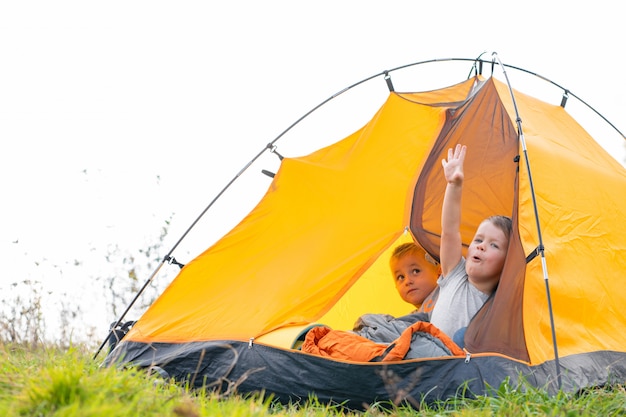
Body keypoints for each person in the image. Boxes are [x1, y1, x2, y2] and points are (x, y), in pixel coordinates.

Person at [428, 144, 512, 347]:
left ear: (507, 264)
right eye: (478, 240)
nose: (481, 246)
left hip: (458, 366)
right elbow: (449, 230)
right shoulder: (455, 273)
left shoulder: (498, 306)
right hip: (427, 351)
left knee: (462, 336)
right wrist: (454, 186)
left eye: (494, 245)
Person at [389, 242, 440, 310]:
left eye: (416, 271)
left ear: (439, 272)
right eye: (401, 277)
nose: (407, 281)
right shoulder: (410, 319)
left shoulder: (450, 298)